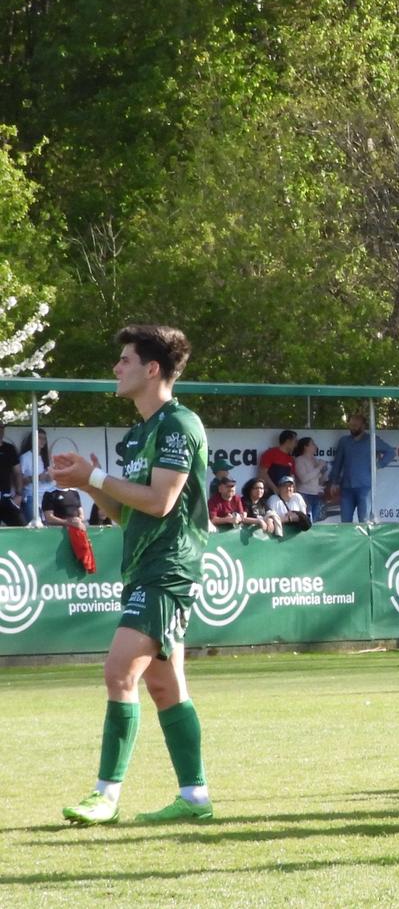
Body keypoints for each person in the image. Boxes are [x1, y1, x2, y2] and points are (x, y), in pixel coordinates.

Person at [55, 325, 215, 826]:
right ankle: (194, 797)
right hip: (146, 565)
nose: (116, 367)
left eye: (125, 359)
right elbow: (131, 514)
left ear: (152, 369)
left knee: (119, 671)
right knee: (167, 689)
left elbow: (163, 501)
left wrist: (98, 477)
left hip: (169, 569)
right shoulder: (141, 434)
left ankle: (105, 795)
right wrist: (90, 484)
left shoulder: (178, 425)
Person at [328, 412, 395, 523]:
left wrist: (379, 465)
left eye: (355, 426)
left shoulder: (372, 440)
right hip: (347, 487)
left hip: (365, 488)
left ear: (363, 426)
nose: (352, 428)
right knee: (345, 522)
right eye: (351, 425)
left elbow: (390, 452)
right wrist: (334, 481)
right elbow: (338, 463)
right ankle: (347, 540)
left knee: (364, 520)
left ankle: (364, 540)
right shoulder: (344, 441)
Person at [290, 436, 327, 520]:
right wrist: (319, 467)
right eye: (312, 444)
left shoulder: (315, 460)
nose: (315, 446)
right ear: (305, 447)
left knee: (316, 521)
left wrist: (324, 472)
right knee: (307, 520)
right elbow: (304, 479)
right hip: (305, 494)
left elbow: (319, 480)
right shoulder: (299, 460)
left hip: (316, 494)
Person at [0, 431, 22, 525]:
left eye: (2, 427)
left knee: (20, 527)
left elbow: (17, 473)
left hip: (5, 497)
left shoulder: (9, 449)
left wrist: (19, 494)